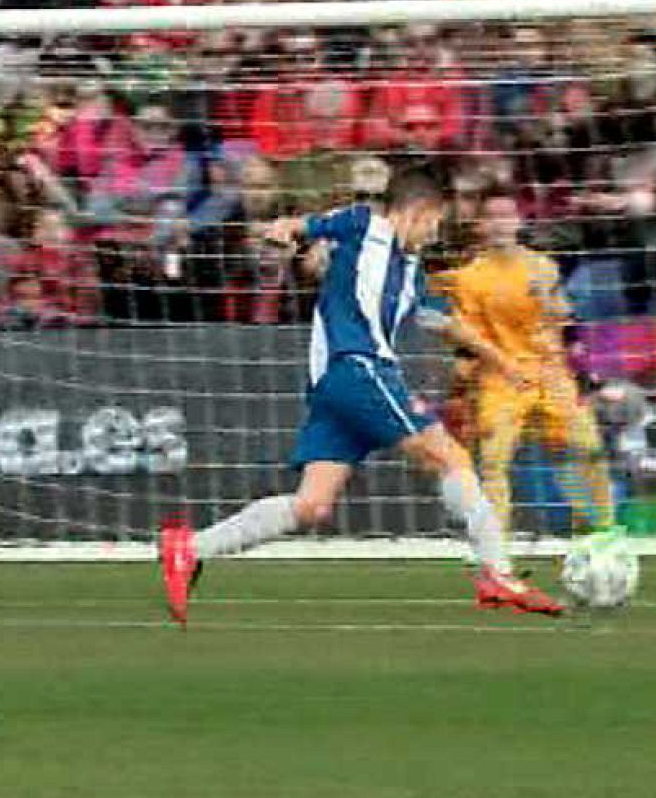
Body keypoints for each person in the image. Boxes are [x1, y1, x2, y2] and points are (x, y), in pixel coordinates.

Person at [159, 170, 565, 624]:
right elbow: (299, 226)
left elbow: (449, 324)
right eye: (434, 224)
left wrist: (506, 365)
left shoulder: (411, 274)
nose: (434, 236)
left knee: (311, 505)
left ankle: (190, 548)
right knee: (451, 458)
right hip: (358, 367)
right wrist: (281, 233)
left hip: (338, 388)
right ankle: (498, 573)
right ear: (419, 212)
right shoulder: (363, 224)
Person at [441, 194, 614, 533]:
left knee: (589, 448)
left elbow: (567, 324)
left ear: (520, 222)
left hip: (552, 374)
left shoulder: (543, 267)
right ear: (480, 226)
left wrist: (584, 372)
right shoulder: (468, 278)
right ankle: (496, 549)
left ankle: (600, 531)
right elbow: (467, 340)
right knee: (493, 462)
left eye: (507, 215)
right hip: (501, 377)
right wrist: (458, 389)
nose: (500, 223)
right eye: (491, 216)